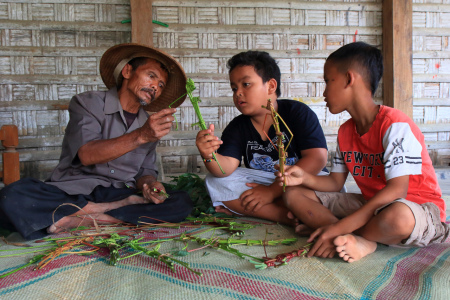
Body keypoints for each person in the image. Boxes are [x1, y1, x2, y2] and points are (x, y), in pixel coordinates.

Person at [276, 41, 449, 262]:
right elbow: (335, 183)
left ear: (349, 79)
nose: (324, 91)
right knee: (293, 194)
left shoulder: (395, 125)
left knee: (398, 217)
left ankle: (356, 238)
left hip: (416, 209)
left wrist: (339, 226)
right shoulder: (345, 131)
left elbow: (397, 192)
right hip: (372, 205)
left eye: (329, 81)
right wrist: (304, 177)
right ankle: (347, 236)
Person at [0, 43, 193, 240]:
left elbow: (145, 172)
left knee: (181, 202)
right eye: (151, 76)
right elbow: (87, 154)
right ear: (127, 71)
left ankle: (80, 220)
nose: (155, 87)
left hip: (119, 193)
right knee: (13, 196)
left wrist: (150, 185)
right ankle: (105, 212)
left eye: (161, 85)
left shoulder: (148, 123)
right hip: (74, 192)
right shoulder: (88, 103)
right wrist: (141, 135)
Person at [195, 50, 328, 225]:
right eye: (234, 88)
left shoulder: (298, 113)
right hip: (261, 181)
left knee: (330, 186)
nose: (238, 93)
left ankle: (259, 206)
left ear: (271, 86)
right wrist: (209, 155)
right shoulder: (238, 126)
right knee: (214, 181)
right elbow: (225, 169)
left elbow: (317, 158)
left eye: (246, 84)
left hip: (299, 179)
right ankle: (283, 215)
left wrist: (272, 192)